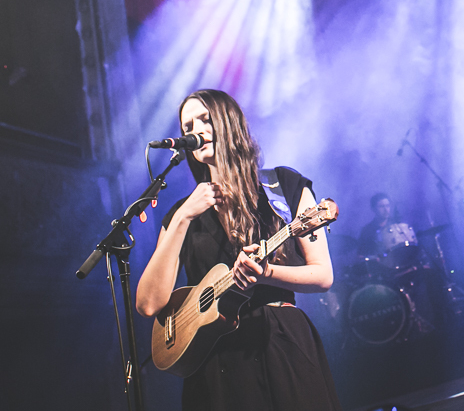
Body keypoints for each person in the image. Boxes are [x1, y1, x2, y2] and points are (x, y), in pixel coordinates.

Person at [135, 89, 341, 411]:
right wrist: (184, 216)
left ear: (229, 122)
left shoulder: (282, 185)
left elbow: (323, 275)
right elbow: (148, 304)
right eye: (188, 127)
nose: (196, 131)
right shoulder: (181, 213)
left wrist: (266, 273)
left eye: (204, 119)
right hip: (214, 357)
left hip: (279, 339)